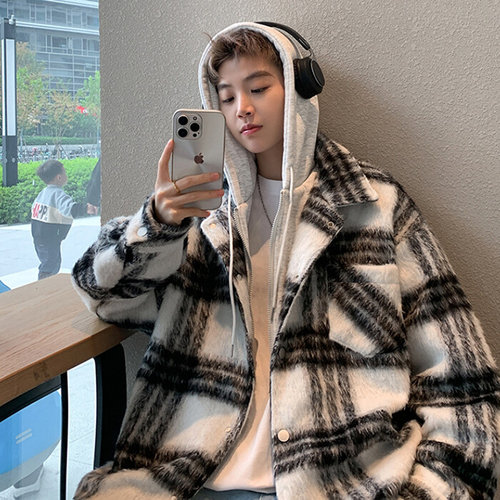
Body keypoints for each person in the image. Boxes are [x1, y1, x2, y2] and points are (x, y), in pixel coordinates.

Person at [72, 22, 500, 499]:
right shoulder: (197, 215)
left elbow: (463, 378)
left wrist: (437, 489)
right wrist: (157, 222)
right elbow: (102, 294)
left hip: (345, 481)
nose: (242, 108)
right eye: (227, 96)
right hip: (185, 478)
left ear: (299, 88)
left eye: (258, 88)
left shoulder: (375, 205)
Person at [31, 160, 87, 280]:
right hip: (50, 238)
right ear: (59, 177)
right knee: (51, 265)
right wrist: (86, 208)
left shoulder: (42, 193)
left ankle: (46, 283)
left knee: (49, 262)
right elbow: (69, 208)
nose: (66, 174)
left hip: (39, 237)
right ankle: (44, 286)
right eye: (64, 172)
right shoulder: (58, 194)